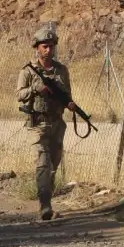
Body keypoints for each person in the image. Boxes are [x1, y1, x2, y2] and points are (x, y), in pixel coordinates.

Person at [15, 24, 78, 221]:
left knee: (53, 165)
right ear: (37, 47)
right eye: (44, 46)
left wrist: (70, 104)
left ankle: (47, 199)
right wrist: (35, 89)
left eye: (51, 46)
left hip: (57, 124)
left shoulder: (61, 70)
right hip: (37, 125)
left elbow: (66, 93)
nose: (48, 50)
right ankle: (45, 206)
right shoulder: (28, 71)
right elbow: (19, 94)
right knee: (42, 163)